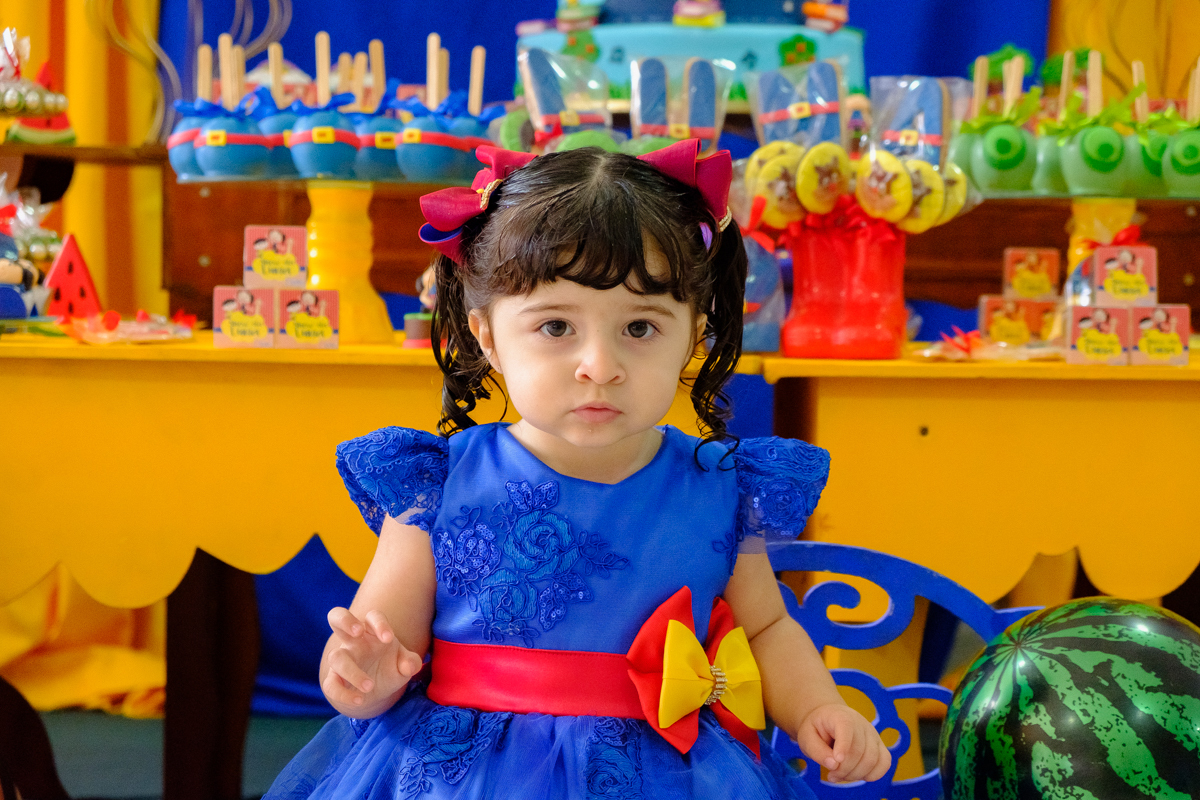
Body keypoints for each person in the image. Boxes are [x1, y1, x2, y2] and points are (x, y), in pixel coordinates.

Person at [266, 140, 890, 800]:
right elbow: (382, 639)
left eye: (640, 328)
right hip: (466, 776)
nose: (599, 365)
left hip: (668, 777)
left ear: (693, 333)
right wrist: (361, 677)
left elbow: (766, 628)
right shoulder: (437, 483)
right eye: (557, 327)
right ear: (486, 335)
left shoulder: (720, 488)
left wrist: (817, 707)